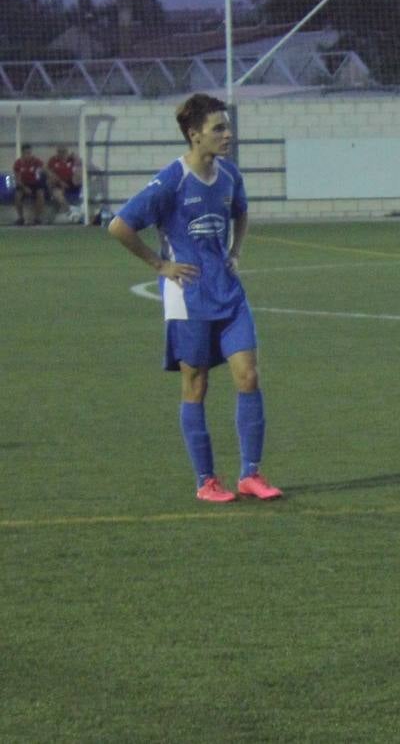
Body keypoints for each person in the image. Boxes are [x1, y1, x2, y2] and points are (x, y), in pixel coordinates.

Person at [108, 93, 282, 503]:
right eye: (218, 128)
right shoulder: (172, 179)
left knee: (249, 376)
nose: (227, 134)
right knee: (197, 383)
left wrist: (236, 252)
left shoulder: (229, 176)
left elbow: (241, 211)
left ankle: (250, 475)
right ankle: (206, 481)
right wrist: (159, 265)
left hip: (227, 290)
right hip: (187, 295)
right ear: (194, 135)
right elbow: (119, 226)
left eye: (227, 126)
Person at [11, 143, 47, 226]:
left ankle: (37, 218)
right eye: (27, 153)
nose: (29, 155)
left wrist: (50, 176)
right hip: (23, 184)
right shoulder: (18, 163)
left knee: (41, 195)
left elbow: (45, 169)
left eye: (30, 153)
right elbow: (17, 179)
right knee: (17, 196)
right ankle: (21, 218)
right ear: (22, 153)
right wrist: (24, 188)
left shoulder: (36, 161)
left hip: (34, 183)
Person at [46, 144, 84, 221]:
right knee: (57, 193)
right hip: (58, 185)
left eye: (63, 152)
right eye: (60, 152)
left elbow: (80, 167)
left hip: (72, 184)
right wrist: (60, 182)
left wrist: (76, 158)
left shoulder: (72, 160)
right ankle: (71, 212)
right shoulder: (53, 160)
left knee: (78, 176)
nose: (62, 154)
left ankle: (72, 212)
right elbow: (48, 172)